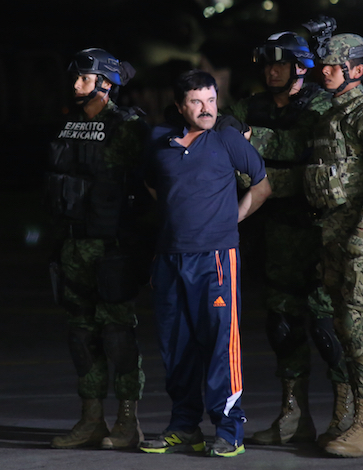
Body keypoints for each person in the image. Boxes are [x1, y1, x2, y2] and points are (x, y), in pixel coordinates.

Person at [221, 31, 350, 446]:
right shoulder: (251, 105)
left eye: (281, 64)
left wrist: (254, 159)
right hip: (275, 234)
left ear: (300, 67)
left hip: (317, 233)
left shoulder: (319, 105)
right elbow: (223, 134)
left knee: (326, 326)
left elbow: (307, 156)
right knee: (282, 324)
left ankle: (346, 416)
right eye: (267, 64)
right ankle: (293, 416)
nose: (272, 71)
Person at [139, 70, 271, 457]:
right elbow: (151, 184)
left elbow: (262, 187)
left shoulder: (227, 139)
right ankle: (184, 426)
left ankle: (229, 430)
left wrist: (229, 219)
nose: (207, 108)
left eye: (212, 100)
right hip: (169, 258)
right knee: (175, 346)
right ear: (181, 105)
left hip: (215, 258)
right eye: (197, 101)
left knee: (219, 345)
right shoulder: (157, 142)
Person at [45, 48, 151, 450]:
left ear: (106, 84)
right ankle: (91, 419)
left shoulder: (128, 127)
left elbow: (147, 189)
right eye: (75, 78)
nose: (76, 85)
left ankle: (127, 423)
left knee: (119, 335)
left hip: (112, 248)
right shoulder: (67, 125)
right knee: (80, 334)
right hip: (73, 246)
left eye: (85, 78)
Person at [303, 33, 363, 458]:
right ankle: (347, 416)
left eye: (332, 65)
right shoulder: (332, 115)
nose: (323, 71)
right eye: (322, 64)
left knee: (360, 330)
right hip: (335, 237)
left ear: (356, 70)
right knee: (341, 327)